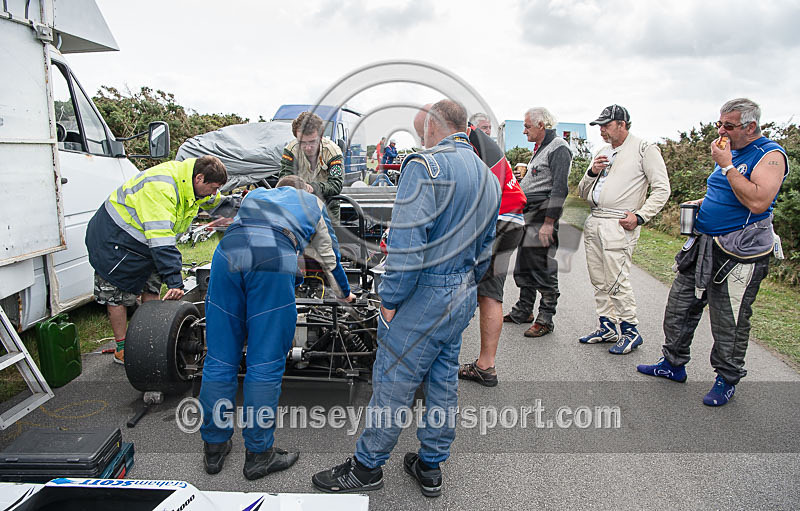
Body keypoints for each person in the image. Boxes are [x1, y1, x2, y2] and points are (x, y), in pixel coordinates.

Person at [312, 100, 500, 497]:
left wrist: (392, 298)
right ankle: (430, 465)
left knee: (393, 382)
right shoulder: (489, 177)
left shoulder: (425, 166)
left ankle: (366, 468)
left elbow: (408, 243)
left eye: (421, 133)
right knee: (443, 378)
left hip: (425, 294)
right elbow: (487, 247)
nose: (420, 140)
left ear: (433, 127)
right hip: (463, 290)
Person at [198, 175, 355, 479]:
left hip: (227, 252)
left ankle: (214, 448)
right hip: (271, 258)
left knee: (219, 359)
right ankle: (258, 455)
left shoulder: (256, 196)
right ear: (305, 189)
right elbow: (329, 259)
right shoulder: (312, 203)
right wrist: (346, 293)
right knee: (264, 363)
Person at [637, 98, 789, 406]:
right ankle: (673, 364)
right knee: (679, 307)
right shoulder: (728, 150)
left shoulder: (770, 155)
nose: (721, 130)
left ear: (751, 126)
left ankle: (726, 379)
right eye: (719, 123)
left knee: (729, 320)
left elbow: (758, 201)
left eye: (728, 126)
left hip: (739, 252)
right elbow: (724, 192)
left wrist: (728, 165)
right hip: (704, 243)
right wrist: (702, 204)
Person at [85, 156, 227, 364]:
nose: (214, 193)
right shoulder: (161, 188)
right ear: (199, 178)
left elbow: (218, 201)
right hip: (115, 240)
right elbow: (161, 241)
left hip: (144, 241)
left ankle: (148, 340)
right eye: (213, 188)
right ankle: (122, 349)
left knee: (151, 287)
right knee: (116, 295)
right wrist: (174, 281)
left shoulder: (191, 185)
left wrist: (244, 204)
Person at [576, 104, 670, 354]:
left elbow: (662, 189)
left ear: (622, 124)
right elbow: (582, 192)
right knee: (598, 278)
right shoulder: (603, 151)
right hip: (596, 217)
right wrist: (592, 171)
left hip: (619, 221)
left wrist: (641, 216)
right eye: (600, 126)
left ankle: (630, 331)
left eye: (606, 125)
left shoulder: (644, 149)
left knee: (617, 279)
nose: (602, 131)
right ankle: (607, 325)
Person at [459, 112, 527, 386]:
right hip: (510, 219)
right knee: (489, 292)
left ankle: (483, 365)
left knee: (475, 288)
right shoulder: (479, 140)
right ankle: (485, 365)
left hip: (499, 219)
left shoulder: (468, 141)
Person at [505, 107, 573, 338]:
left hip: (542, 213)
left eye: (527, 126)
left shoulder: (559, 149)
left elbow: (560, 188)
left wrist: (548, 223)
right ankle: (524, 309)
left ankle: (546, 318)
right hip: (529, 212)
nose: (524, 131)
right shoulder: (541, 148)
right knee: (525, 262)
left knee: (542, 263)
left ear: (541, 125)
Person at [279, 111, 344, 222]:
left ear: (321, 136)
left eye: (313, 142)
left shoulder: (333, 152)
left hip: (328, 207)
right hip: (298, 207)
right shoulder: (291, 150)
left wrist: (312, 187)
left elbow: (335, 185)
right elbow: (284, 180)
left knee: (328, 238)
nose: (308, 147)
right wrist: (298, 186)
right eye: (302, 143)